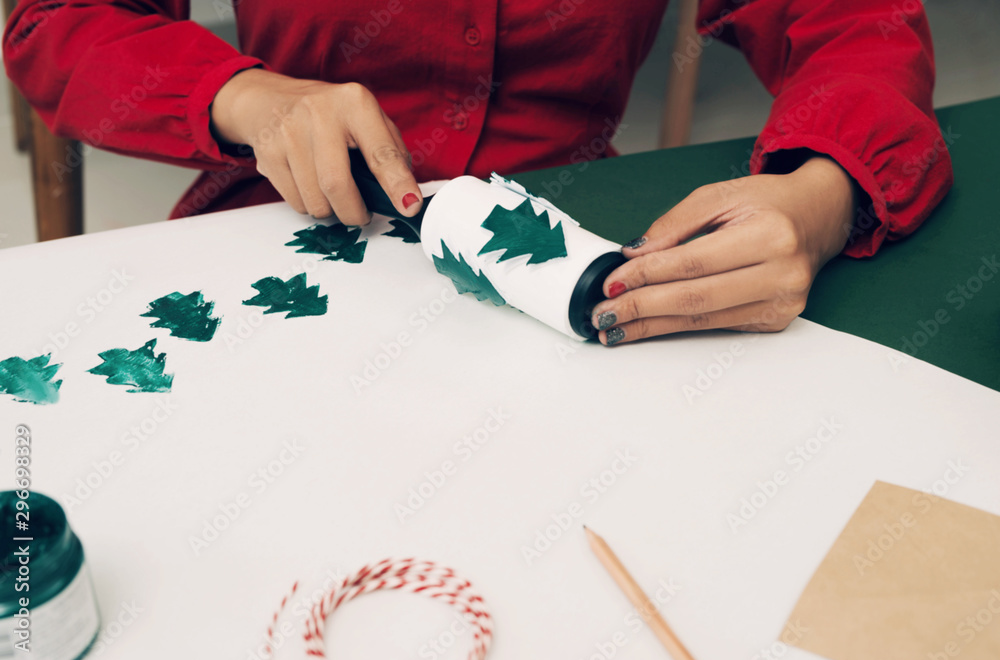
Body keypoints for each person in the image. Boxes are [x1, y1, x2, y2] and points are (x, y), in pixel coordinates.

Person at [3, 0, 952, 346]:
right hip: (286, 216)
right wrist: (243, 95)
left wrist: (824, 189)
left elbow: (857, 24)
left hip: (566, 236)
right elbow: (56, 21)